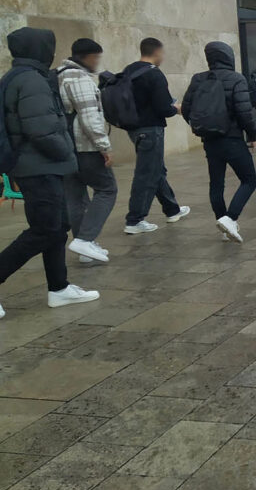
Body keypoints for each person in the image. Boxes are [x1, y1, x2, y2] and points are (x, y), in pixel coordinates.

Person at [0, 27, 100, 319]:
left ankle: (59, 288)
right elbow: (41, 130)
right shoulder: (32, 80)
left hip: (38, 166)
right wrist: (66, 153)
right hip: (39, 167)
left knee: (57, 227)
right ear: (39, 49)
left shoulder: (19, 77)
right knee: (44, 230)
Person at [181, 41, 256, 243]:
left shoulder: (198, 79)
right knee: (249, 180)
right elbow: (244, 112)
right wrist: (253, 135)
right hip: (232, 138)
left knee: (216, 184)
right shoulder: (236, 79)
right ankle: (230, 218)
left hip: (209, 140)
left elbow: (187, 109)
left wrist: (199, 125)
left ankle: (223, 226)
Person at [58, 38, 117, 264]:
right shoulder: (79, 77)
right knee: (107, 189)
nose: (98, 62)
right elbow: (89, 116)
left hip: (66, 147)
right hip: (85, 147)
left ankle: (85, 248)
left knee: (76, 197)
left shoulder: (59, 75)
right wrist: (104, 146)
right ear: (88, 57)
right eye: (97, 57)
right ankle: (85, 240)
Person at [123, 38, 189, 234]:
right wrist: (177, 109)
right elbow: (163, 107)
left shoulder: (129, 70)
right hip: (150, 130)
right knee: (146, 174)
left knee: (156, 169)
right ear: (157, 52)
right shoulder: (154, 74)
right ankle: (135, 220)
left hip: (134, 129)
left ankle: (172, 210)